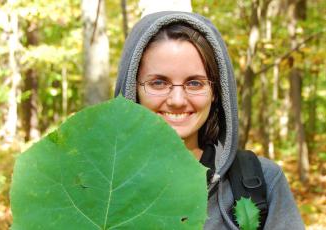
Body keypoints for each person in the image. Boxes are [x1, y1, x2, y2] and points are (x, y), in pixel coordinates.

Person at [115, 11, 304, 229]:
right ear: (132, 89)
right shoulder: (94, 188)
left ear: (216, 91)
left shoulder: (262, 182)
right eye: (158, 82)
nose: (177, 100)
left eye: (194, 83)